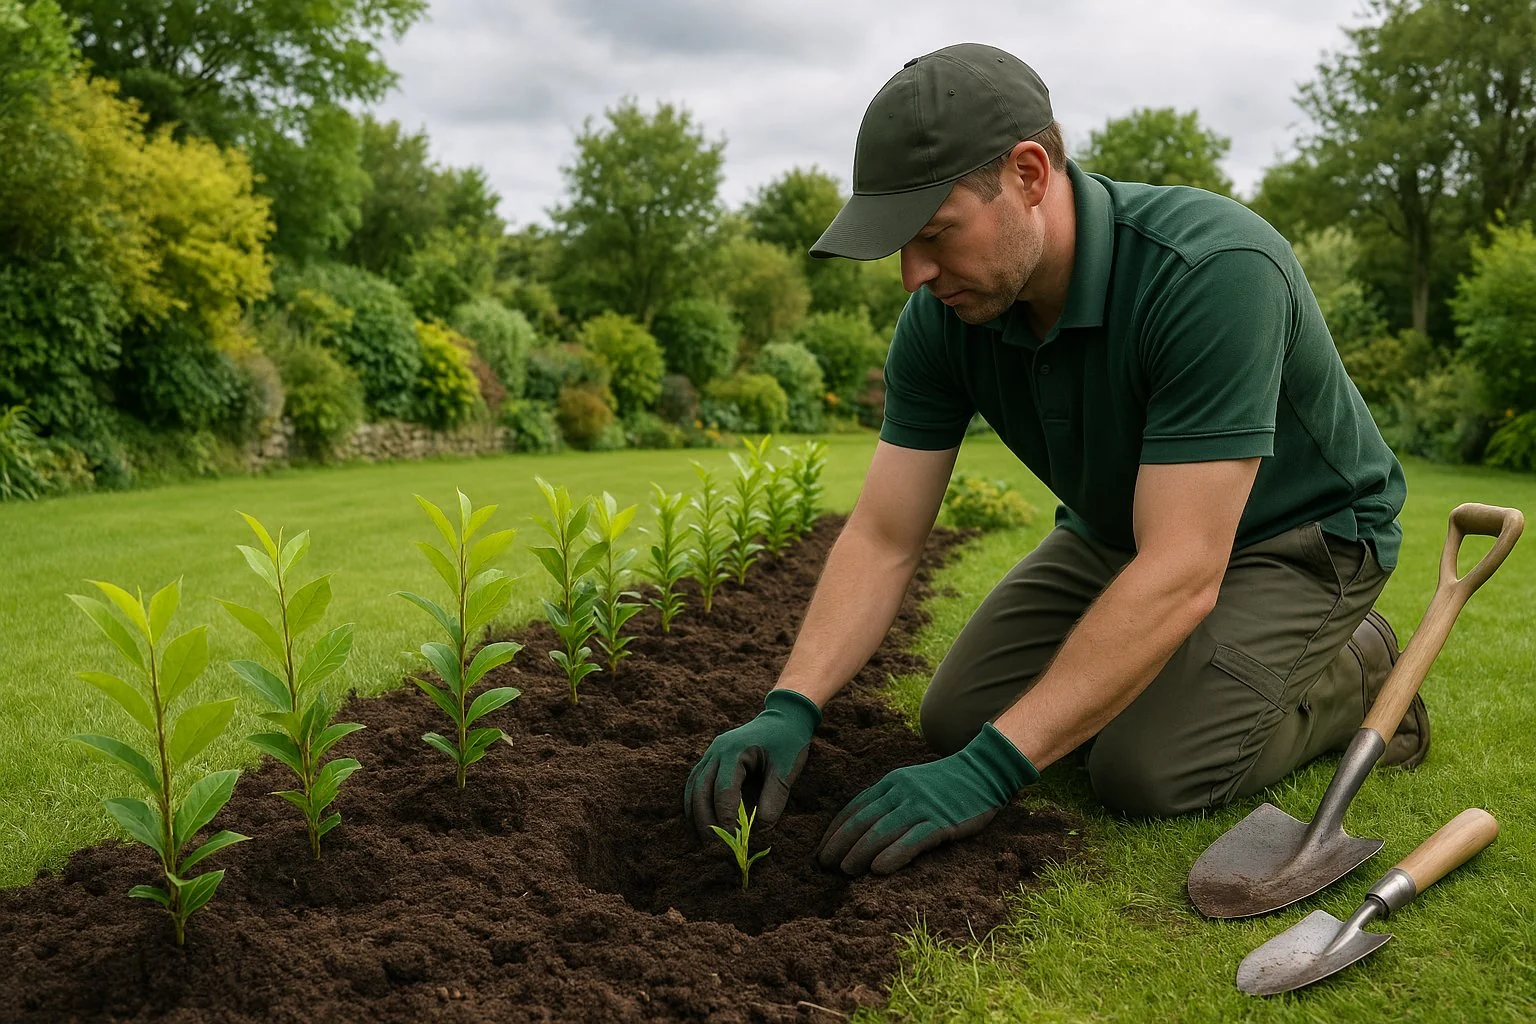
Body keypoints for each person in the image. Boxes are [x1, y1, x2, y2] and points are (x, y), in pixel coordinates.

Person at [683, 42, 1425, 877]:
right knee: (957, 719)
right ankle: (1197, 669)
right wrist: (791, 705)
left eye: (934, 234)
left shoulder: (1210, 272)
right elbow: (885, 534)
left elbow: (1183, 566)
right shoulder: (946, 318)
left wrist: (993, 772)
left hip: (1302, 539)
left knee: (1145, 771)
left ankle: (1357, 666)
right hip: (1117, 532)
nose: (913, 275)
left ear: (1030, 174)